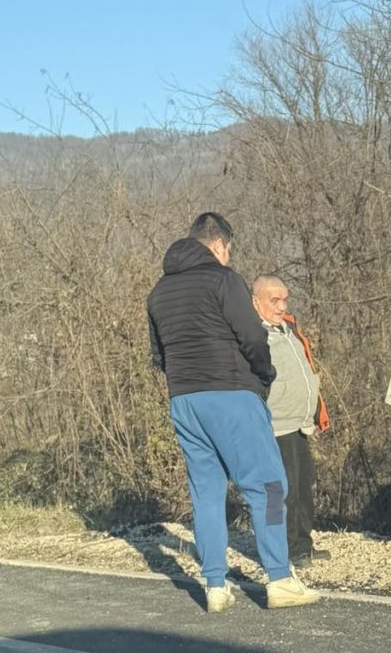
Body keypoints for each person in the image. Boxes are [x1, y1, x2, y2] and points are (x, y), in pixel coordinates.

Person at [146, 213, 320, 612]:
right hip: (231, 393)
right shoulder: (224, 280)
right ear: (220, 245)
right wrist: (263, 378)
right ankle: (279, 578)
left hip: (185, 401)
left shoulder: (158, 292)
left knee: (206, 492)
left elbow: (158, 354)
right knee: (269, 486)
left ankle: (214, 586)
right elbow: (253, 337)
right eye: (228, 250)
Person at [252, 275, 332, 568]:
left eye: (284, 299)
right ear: (256, 302)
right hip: (274, 426)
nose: (281, 306)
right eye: (274, 300)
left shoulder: (289, 329)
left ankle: (303, 544)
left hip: (300, 424)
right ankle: (281, 550)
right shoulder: (253, 335)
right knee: (279, 491)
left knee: (302, 487)